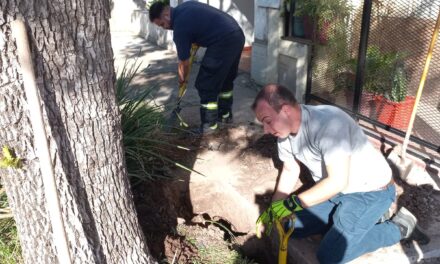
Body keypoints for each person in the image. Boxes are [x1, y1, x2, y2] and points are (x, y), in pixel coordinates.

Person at [252, 84, 429, 263]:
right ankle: (368, 218)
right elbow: (290, 169)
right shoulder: (284, 134)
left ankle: (400, 227)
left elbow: (337, 181)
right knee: (290, 225)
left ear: (286, 110)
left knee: (330, 255)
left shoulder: (329, 123)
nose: (266, 130)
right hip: (337, 191)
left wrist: (292, 203)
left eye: (267, 120)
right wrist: (275, 210)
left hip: (371, 192)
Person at [149, 1, 245, 135]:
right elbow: (200, 24)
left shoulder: (180, 27)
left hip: (223, 41)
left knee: (206, 84)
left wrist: (182, 79)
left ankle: (209, 125)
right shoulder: (185, 7)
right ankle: (225, 116)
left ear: (166, 14)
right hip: (237, 35)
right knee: (225, 80)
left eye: (162, 24)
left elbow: (184, 62)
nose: (164, 28)